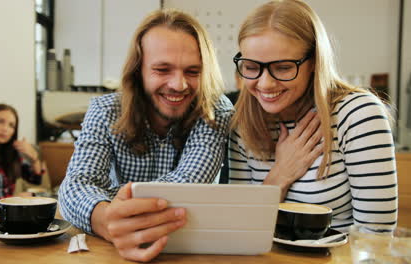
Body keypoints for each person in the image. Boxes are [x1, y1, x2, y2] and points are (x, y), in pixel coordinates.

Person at [58, 9, 232, 262]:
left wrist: (113, 201)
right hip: (114, 252)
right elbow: (75, 184)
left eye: (193, 72)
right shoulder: (105, 110)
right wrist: (107, 220)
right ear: (138, 71)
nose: (179, 85)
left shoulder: (217, 111)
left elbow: (190, 185)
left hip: (190, 251)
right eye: (162, 70)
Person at [228, 0, 397, 232]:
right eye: (251, 67)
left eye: (283, 67)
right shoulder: (242, 123)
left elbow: (376, 236)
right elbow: (240, 231)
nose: (265, 83)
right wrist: (278, 177)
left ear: (314, 63)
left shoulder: (358, 115)